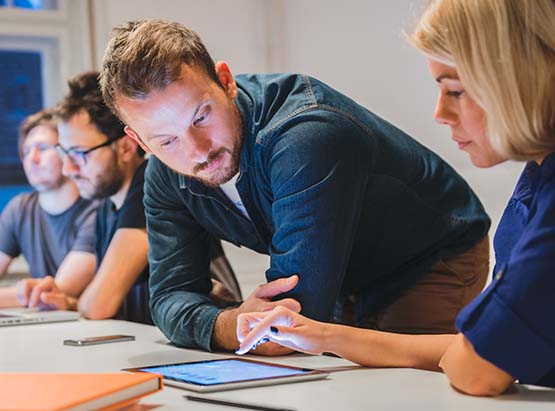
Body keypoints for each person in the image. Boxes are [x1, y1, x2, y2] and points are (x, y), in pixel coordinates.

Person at [99, 19, 491, 353]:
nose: (197, 150)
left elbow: (289, 322)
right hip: (340, 277)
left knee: (405, 394)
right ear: (140, 142)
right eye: (166, 141)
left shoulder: (306, 136)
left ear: (225, 81)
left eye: (201, 117)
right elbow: (168, 299)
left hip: (428, 257)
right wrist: (230, 323)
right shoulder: (164, 174)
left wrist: (226, 323)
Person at [236, 0, 555, 396]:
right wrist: (329, 337)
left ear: (525, 76)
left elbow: (478, 369)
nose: (440, 112)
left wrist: (472, 353)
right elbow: (480, 346)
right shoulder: (539, 176)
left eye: (455, 90)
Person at [25, 72, 239, 324]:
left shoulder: (149, 188)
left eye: (80, 154)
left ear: (126, 147)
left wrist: (82, 302)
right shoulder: (108, 205)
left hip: (214, 340)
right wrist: (72, 303)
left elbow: (100, 304)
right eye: (64, 154)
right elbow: (103, 304)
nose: (68, 169)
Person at [0, 109, 97, 308]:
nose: (32, 159)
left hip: (89, 327)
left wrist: (22, 293)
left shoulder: (96, 210)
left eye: (42, 148)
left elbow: (54, 293)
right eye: (26, 151)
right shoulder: (20, 208)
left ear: (68, 151)